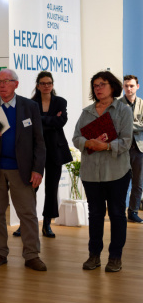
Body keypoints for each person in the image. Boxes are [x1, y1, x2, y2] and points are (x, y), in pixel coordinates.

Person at [0, 68, 47, 271]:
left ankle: (31, 255)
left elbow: (39, 141)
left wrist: (38, 169)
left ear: (16, 84)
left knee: (28, 214)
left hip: (21, 170)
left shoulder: (29, 106)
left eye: (6, 81)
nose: (2, 85)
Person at [74, 71, 133, 272]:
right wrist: (87, 142)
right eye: (95, 85)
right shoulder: (87, 112)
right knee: (95, 215)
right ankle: (94, 255)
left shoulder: (123, 110)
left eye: (102, 84)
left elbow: (126, 141)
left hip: (117, 172)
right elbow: (76, 138)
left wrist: (106, 147)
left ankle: (115, 257)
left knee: (117, 214)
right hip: (91, 173)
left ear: (113, 87)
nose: (98, 88)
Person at [26, 70, 71, 238]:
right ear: (38, 86)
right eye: (43, 83)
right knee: (32, 188)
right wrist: (50, 120)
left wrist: (41, 120)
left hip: (55, 149)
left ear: (52, 85)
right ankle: (26, 223)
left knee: (52, 189)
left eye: (49, 83)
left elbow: (61, 121)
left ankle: (47, 224)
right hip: (35, 149)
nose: (46, 86)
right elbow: (29, 125)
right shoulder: (30, 103)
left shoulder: (60, 102)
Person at [119, 75, 143, 223]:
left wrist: (128, 124)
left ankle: (133, 211)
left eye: (132, 86)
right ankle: (119, 211)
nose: (129, 88)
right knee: (121, 182)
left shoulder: (142, 103)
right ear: (123, 87)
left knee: (138, 183)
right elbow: (117, 126)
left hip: (139, 149)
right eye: (126, 85)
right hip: (123, 149)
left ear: (137, 87)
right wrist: (137, 124)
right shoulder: (118, 104)